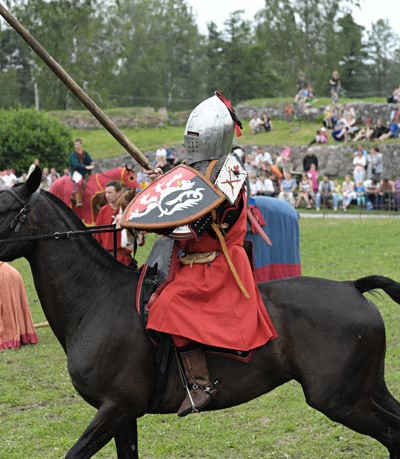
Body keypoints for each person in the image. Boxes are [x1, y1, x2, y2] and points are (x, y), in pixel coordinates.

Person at [142, 93, 278, 417]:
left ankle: (200, 384)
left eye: (196, 138)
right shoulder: (197, 168)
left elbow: (195, 226)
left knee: (167, 306)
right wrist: (161, 185)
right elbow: (181, 196)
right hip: (193, 264)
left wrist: (156, 223)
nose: (192, 145)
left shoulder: (230, 175)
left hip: (218, 265)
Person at [0, 261, 39, 351]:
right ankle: (21, 334)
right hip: (12, 273)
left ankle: (7, 338)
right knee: (13, 304)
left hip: (6, 275)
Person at [94, 180, 143, 267]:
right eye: (106, 192)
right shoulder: (103, 210)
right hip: (106, 258)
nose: (107, 195)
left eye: (110, 192)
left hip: (123, 259)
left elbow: (140, 240)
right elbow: (97, 236)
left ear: (119, 192)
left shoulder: (127, 210)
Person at [69, 138, 94, 207]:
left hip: (86, 173)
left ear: (81, 145)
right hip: (77, 172)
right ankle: (78, 200)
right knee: (79, 182)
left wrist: (92, 164)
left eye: (78, 144)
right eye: (75, 144)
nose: (76, 146)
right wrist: (86, 167)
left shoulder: (85, 153)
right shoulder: (73, 155)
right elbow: (75, 165)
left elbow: (90, 161)